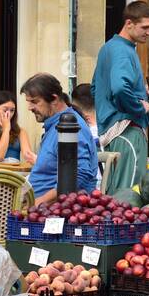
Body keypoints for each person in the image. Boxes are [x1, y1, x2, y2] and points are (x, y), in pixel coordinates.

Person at [92, 0, 149, 193]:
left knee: (117, 193)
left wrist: (143, 90)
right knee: (128, 195)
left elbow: (96, 88)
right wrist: (139, 107)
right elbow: (120, 88)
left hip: (113, 131)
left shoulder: (109, 47)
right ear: (129, 23)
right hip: (127, 131)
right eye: (145, 27)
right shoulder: (123, 51)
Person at [22, 73, 99, 206]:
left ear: (54, 99)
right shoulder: (54, 125)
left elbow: (78, 177)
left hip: (51, 212)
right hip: (33, 204)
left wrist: (37, 203)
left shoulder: (71, 126)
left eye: (35, 101)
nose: (30, 108)